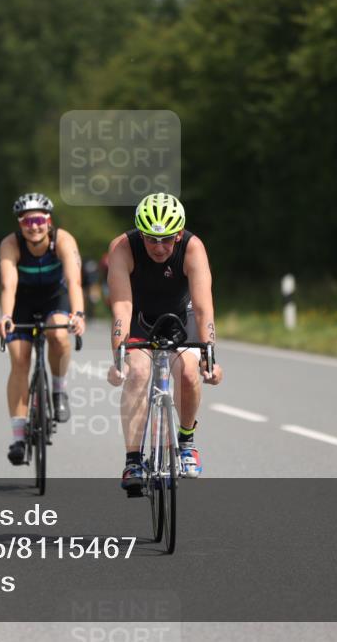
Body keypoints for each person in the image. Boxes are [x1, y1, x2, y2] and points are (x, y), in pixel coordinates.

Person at [105, 193, 223, 494]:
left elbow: (203, 308)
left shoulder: (193, 248)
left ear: (179, 234)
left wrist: (210, 355)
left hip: (180, 318)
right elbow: (121, 307)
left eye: (167, 240)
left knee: (187, 370)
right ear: (140, 234)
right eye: (151, 240)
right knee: (139, 373)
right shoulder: (123, 247)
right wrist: (118, 358)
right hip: (140, 318)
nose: (159, 247)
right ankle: (133, 460)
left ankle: (186, 442)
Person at [0, 193, 86, 465]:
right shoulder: (11, 244)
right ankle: (19, 438)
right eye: (26, 221)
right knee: (20, 360)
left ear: (49, 221)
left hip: (53, 299)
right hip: (21, 301)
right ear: (20, 224)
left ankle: (58, 390)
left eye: (38, 219)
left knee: (58, 334)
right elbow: (8, 286)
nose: (33, 226)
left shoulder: (63, 240)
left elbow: (74, 282)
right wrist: (6, 317)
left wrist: (78, 314)